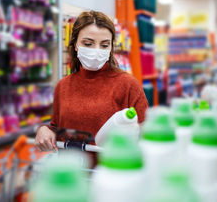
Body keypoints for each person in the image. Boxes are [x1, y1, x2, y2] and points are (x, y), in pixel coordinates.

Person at [35, 11, 148, 151]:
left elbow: (146, 134)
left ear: (111, 47)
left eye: (104, 45)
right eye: (88, 43)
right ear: (75, 44)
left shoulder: (128, 85)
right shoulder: (63, 86)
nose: (96, 51)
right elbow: (57, 128)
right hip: (72, 169)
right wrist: (46, 130)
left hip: (111, 169)